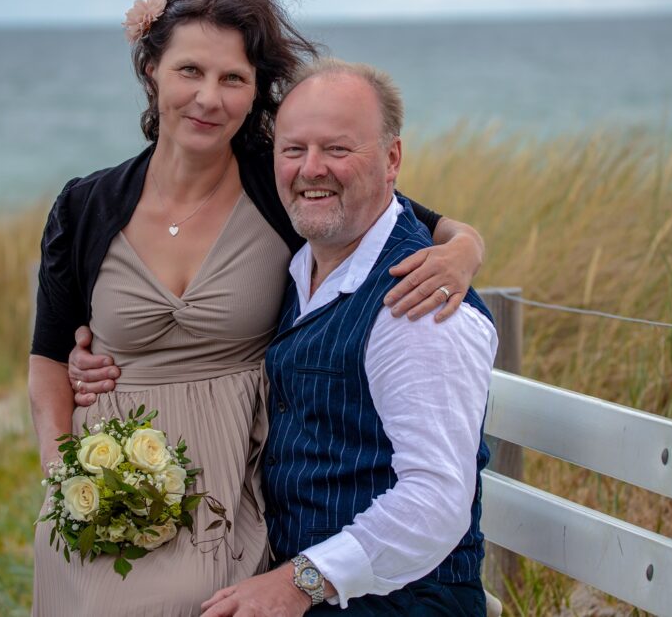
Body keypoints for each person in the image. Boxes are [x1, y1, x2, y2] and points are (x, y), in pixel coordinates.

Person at [29, 0, 485, 616]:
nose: (209, 97)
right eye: (190, 70)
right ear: (152, 68)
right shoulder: (85, 207)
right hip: (108, 475)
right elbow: (48, 357)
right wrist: (63, 469)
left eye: (233, 78)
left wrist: (466, 252)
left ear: (252, 91)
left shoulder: (283, 182)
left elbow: (405, 217)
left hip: (231, 490)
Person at [199, 60, 497, 616]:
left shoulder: (416, 301)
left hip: (404, 600)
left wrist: (294, 585)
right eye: (293, 151)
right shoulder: (306, 264)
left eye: (337, 149)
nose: (312, 169)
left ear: (392, 160)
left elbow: (434, 504)